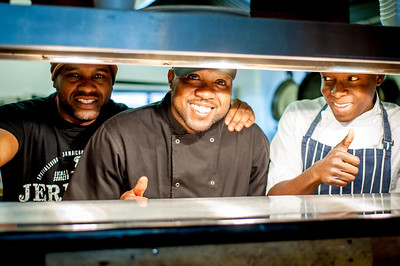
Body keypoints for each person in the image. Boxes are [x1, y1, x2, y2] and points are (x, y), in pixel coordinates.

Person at [0, 64, 256, 202]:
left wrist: (223, 106)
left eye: (99, 76)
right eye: (74, 75)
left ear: (112, 82)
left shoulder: (122, 124)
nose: (87, 86)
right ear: (55, 78)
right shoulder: (22, 119)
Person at [63, 67, 270, 200]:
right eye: (193, 77)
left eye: (220, 82)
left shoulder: (251, 140)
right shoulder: (118, 135)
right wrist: (117, 217)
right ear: (171, 79)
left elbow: (260, 227)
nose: (206, 92)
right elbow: (79, 224)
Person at [267, 72, 400, 195]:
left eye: (352, 79)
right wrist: (315, 173)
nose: (336, 92)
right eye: (327, 78)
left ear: (379, 77)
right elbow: (275, 198)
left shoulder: (397, 123)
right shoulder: (297, 115)